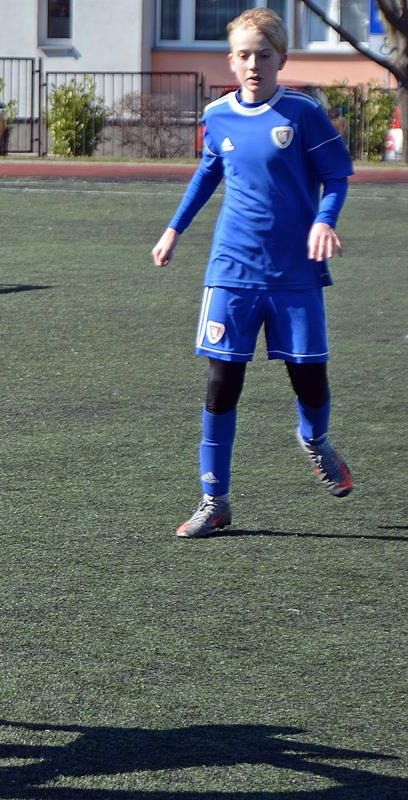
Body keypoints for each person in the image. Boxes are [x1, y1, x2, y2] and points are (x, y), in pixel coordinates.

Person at [151, 8, 354, 539]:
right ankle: (213, 499)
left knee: (309, 378)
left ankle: (315, 440)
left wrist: (324, 221)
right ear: (231, 61)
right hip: (232, 269)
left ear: (281, 59)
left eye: (264, 55)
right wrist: (174, 230)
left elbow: (336, 175)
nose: (253, 64)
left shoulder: (303, 113)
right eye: (244, 55)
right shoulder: (218, 115)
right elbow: (207, 173)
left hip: (295, 272)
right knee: (222, 382)